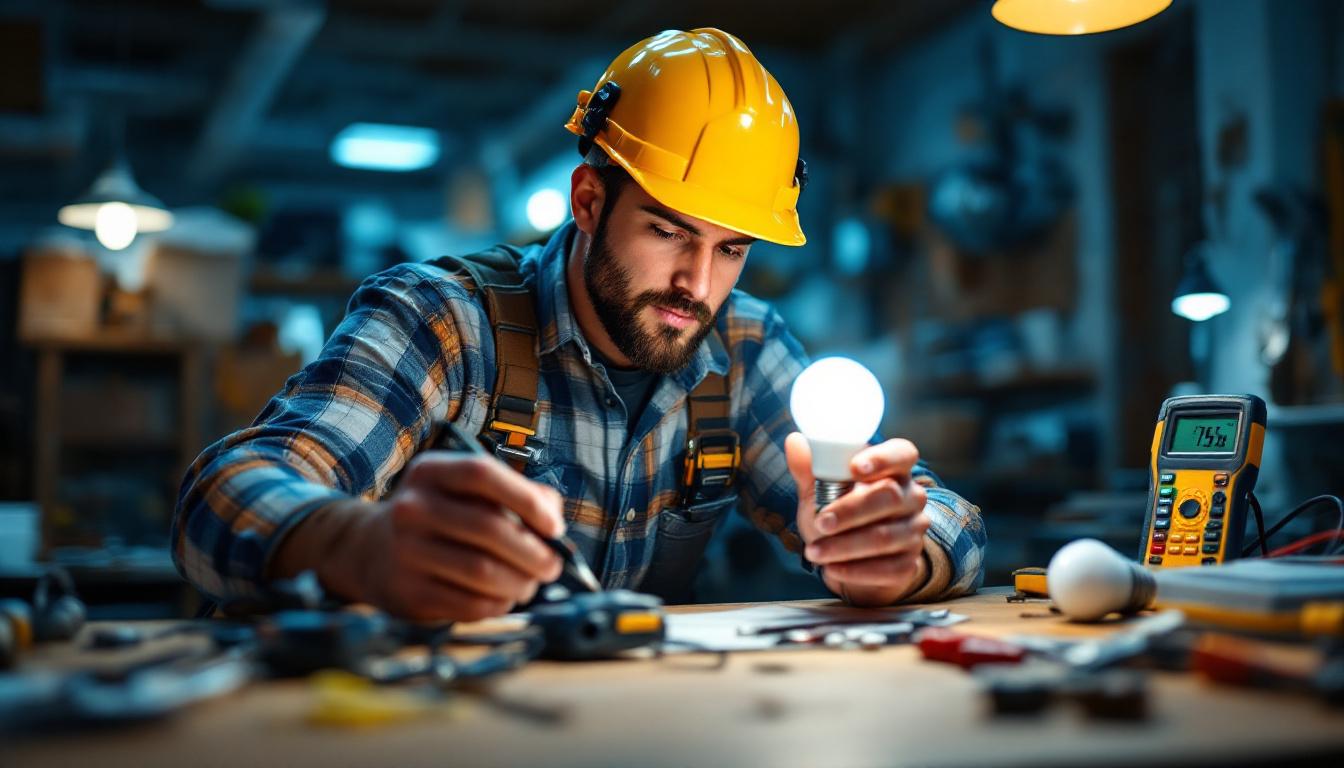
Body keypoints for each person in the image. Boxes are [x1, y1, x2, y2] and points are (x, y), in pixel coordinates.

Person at [172, 28, 986, 621]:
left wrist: (897, 551)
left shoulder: (744, 348)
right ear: (589, 203)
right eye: (668, 232)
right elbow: (223, 497)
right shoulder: (445, 321)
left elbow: (955, 523)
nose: (696, 285)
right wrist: (358, 546)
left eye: (731, 248)